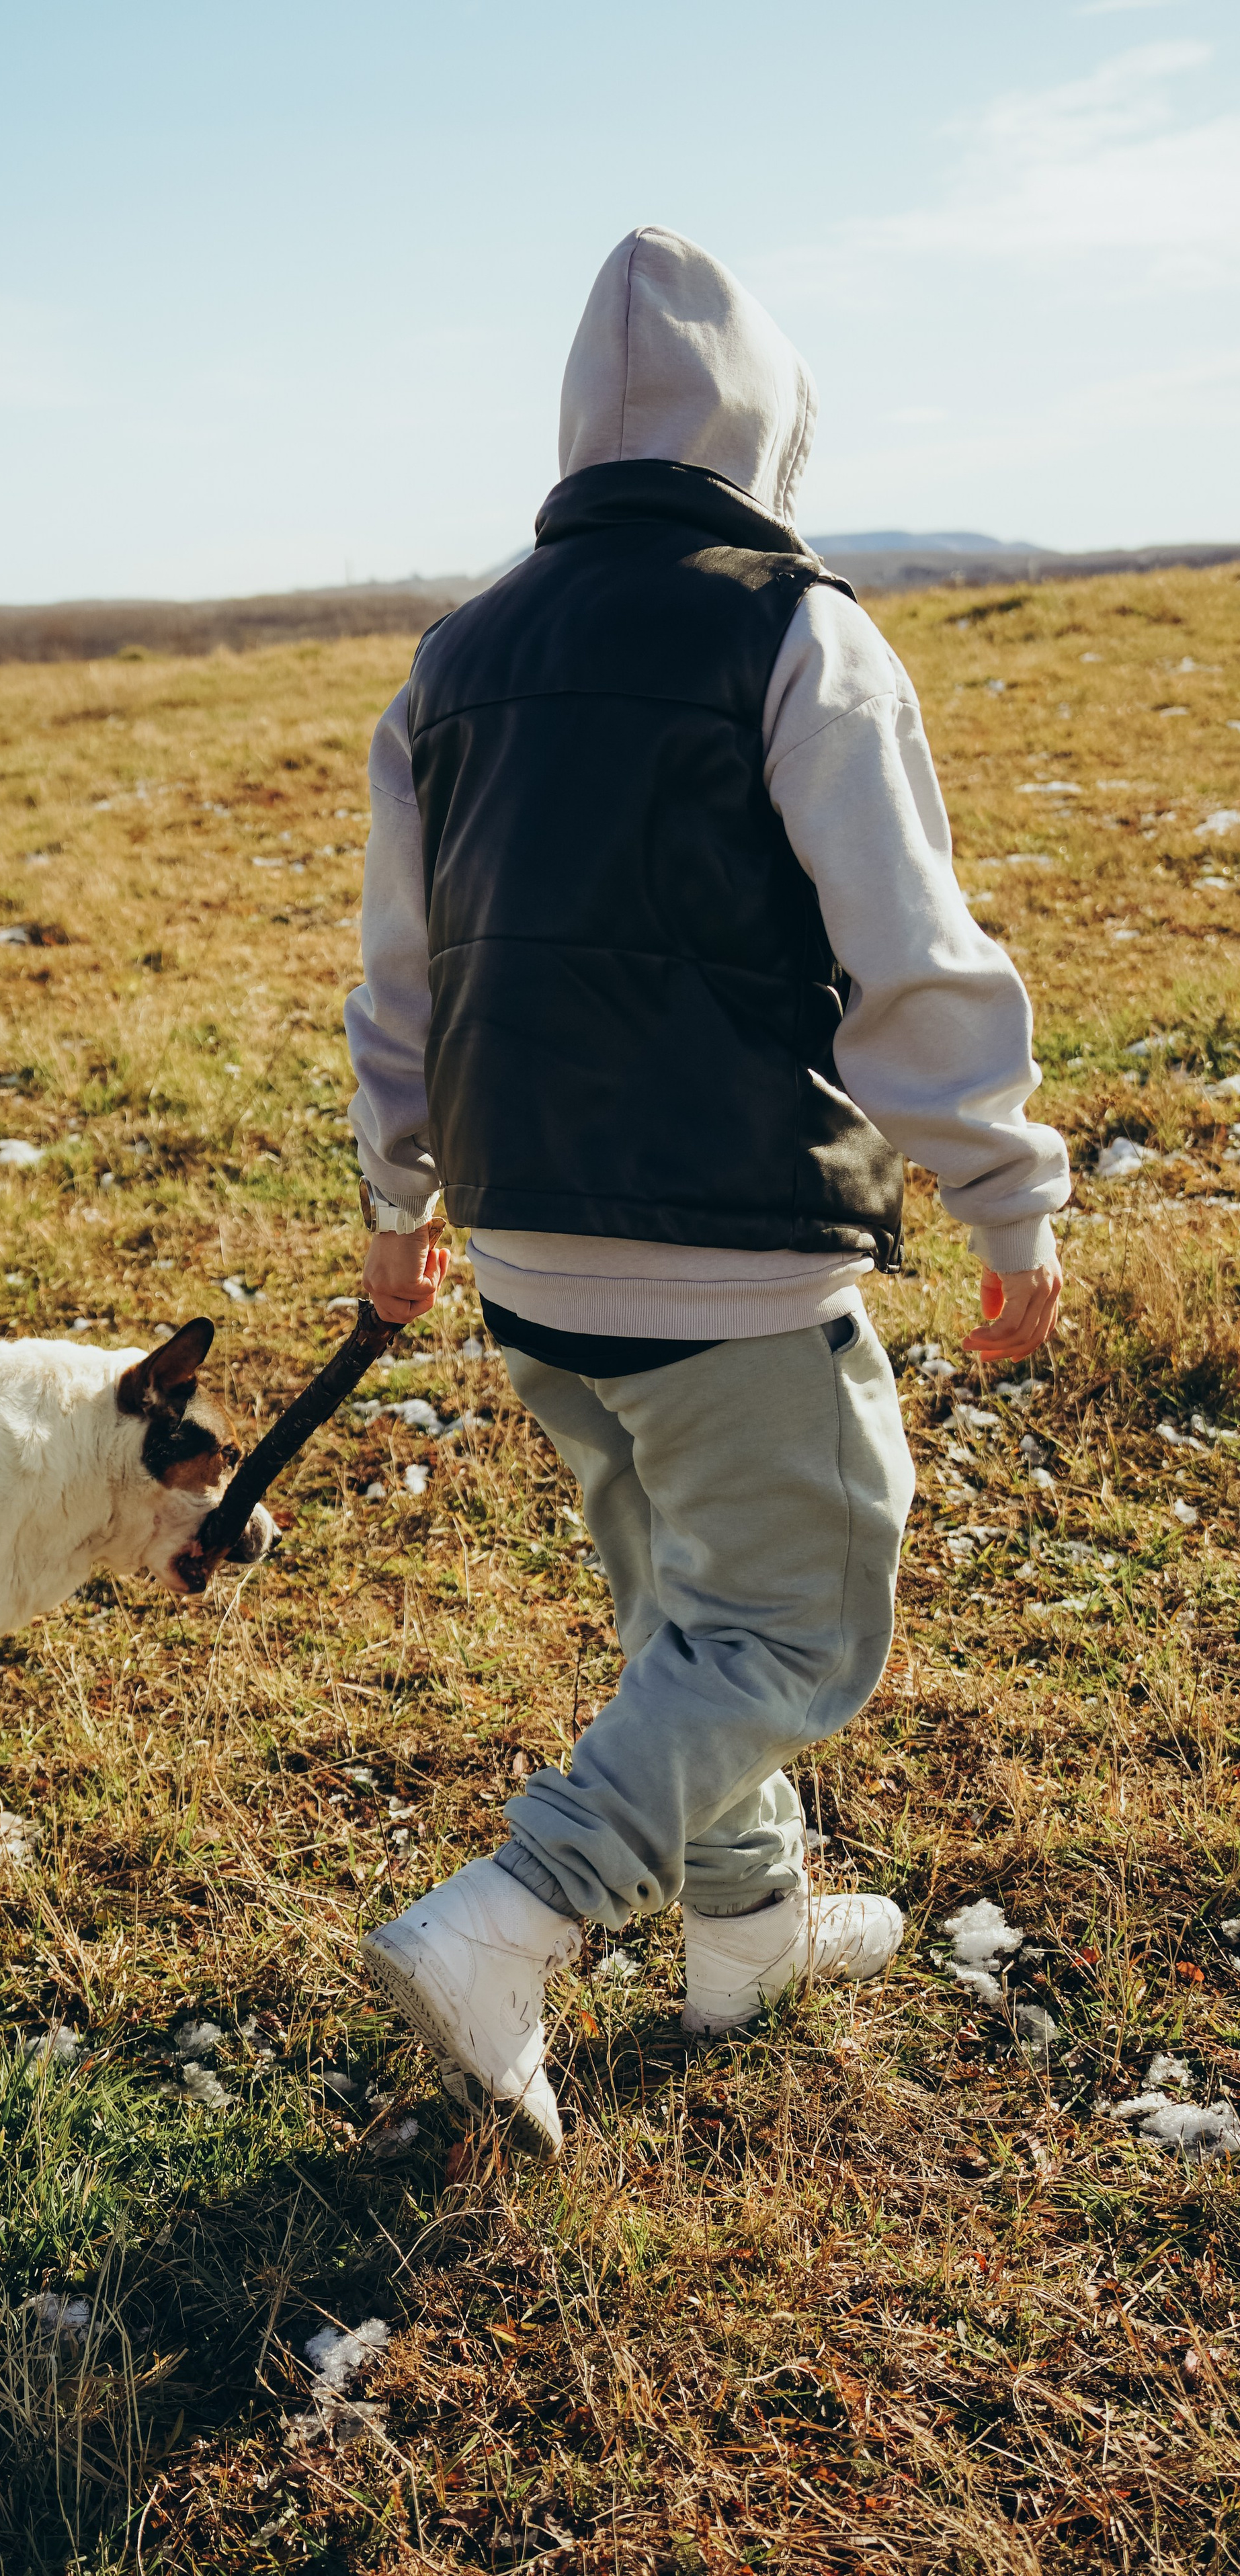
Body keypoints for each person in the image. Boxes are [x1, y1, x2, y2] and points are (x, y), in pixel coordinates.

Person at [345, 226, 1069, 2156]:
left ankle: (747, 1931)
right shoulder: (797, 629)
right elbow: (909, 953)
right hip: (730, 1249)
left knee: (688, 1612)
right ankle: (514, 1916)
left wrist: (395, 1201)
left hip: (522, 1247)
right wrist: (1006, 1193)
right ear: (768, 428)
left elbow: (402, 978)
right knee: (789, 1626)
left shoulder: (454, 658)